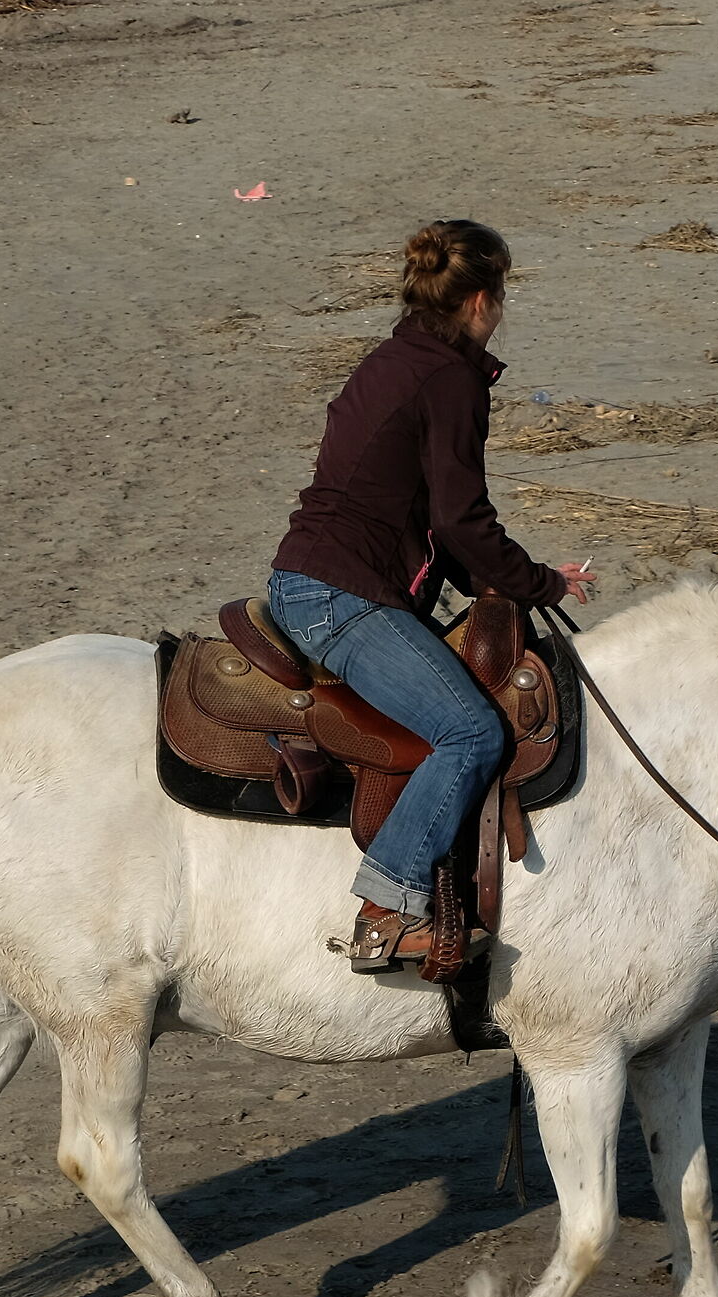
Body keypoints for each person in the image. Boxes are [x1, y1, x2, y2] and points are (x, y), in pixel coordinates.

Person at [267, 219, 594, 973]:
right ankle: (387, 905)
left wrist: (506, 579)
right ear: (480, 300)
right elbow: (461, 519)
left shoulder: (401, 358)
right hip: (339, 596)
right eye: (502, 296)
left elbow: (438, 525)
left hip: (317, 577)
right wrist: (540, 582)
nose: (502, 312)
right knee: (472, 734)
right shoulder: (449, 380)